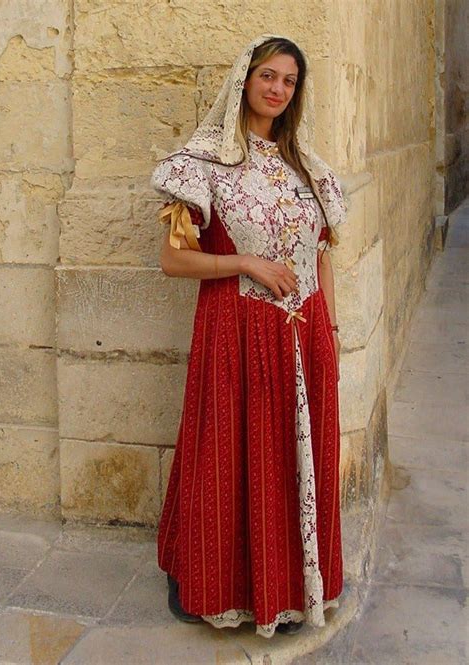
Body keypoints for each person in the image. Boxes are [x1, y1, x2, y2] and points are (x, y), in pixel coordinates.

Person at [149, 33, 348, 639]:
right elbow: (173, 261)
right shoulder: (203, 164)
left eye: (288, 81)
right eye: (268, 76)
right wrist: (247, 264)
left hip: (305, 332)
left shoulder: (305, 167)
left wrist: (332, 331)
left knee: (297, 463)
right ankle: (225, 587)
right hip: (236, 332)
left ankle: (292, 587)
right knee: (233, 457)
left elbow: (321, 254)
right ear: (245, 79)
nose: (277, 89)